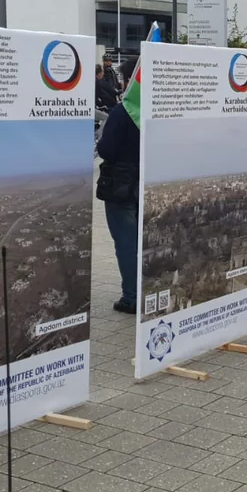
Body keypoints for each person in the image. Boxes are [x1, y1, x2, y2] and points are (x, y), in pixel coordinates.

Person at [96, 57, 141, 313]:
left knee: (126, 243)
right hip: (148, 183)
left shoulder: (124, 112)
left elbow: (106, 149)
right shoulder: (161, 108)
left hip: (122, 186)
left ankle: (132, 297)